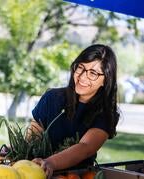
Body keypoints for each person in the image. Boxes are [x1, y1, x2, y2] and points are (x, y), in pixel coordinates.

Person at [29, 44, 120, 178]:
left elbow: (85, 147)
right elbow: (33, 136)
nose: (82, 77)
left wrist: (50, 163)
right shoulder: (52, 98)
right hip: (36, 172)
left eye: (93, 73)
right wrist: (12, 150)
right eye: (80, 68)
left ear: (106, 80)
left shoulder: (106, 114)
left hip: (77, 176)